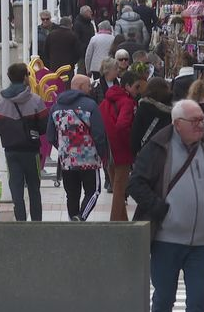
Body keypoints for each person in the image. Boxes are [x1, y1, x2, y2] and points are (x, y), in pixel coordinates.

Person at [128, 99, 204, 312]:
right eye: (194, 121)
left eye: (202, 120)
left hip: (201, 241)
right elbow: (136, 183)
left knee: (199, 300)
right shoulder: (159, 146)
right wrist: (161, 210)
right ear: (177, 124)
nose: (200, 125)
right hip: (166, 240)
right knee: (164, 299)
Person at [47, 75, 108, 221]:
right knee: (93, 191)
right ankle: (81, 218)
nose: (90, 88)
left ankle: (73, 221)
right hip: (89, 159)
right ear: (81, 87)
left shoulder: (56, 107)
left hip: (67, 161)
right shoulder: (91, 105)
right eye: (88, 86)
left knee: (72, 194)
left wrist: (64, 148)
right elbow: (99, 134)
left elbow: (50, 136)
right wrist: (103, 154)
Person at [0, 63, 48, 221]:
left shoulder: (2, 102)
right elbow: (44, 126)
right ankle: (36, 222)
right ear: (25, 77)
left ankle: (20, 222)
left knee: (16, 188)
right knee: (34, 188)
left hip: (11, 151)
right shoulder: (36, 100)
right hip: (31, 151)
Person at [99, 71, 144, 221]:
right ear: (127, 86)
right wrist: (131, 143)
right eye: (137, 87)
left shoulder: (107, 99)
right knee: (120, 188)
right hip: (121, 149)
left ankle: (122, 220)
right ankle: (115, 222)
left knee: (116, 184)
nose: (138, 91)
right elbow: (122, 126)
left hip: (107, 147)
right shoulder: (127, 102)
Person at [90, 58, 119, 193]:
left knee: (115, 151)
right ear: (108, 71)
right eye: (115, 69)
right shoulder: (96, 86)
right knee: (105, 151)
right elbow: (93, 105)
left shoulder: (119, 84)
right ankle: (108, 179)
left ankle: (114, 179)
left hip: (117, 122)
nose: (117, 71)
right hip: (102, 122)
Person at [130, 77, 172, 155]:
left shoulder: (143, 107)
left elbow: (136, 134)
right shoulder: (171, 111)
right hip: (164, 153)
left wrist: (135, 151)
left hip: (146, 152)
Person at [73, 5, 96, 76]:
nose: (91, 13)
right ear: (85, 12)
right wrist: (82, 48)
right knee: (81, 71)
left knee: (88, 73)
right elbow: (76, 39)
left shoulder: (90, 24)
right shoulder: (78, 24)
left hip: (90, 51)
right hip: (82, 53)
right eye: (89, 11)